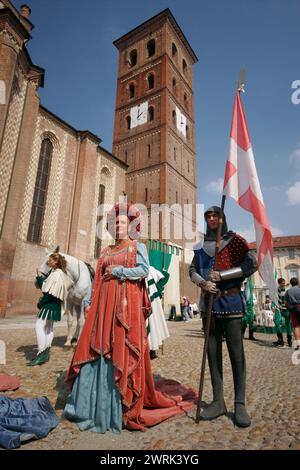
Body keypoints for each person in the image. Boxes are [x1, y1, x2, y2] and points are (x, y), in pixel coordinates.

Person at [64, 203, 195, 433]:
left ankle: (118, 405)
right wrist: (88, 301)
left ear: (131, 226)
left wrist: (119, 272)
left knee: (119, 347)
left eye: (123, 222)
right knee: (98, 347)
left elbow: (143, 271)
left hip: (124, 309)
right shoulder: (105, 252)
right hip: (102, 307)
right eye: (115, 222)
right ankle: (88, 405)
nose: (119, 226)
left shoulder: (137, 247)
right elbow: (97, 280)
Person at [189, 206, 258, 427]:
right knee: (212, 353)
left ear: (222, 218)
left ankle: (240, 404)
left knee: (236, 355)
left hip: (231, 302)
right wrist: (202, 282)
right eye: (208, 216)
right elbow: (192, 270)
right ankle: (218, 401)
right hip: (208, 304)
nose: (211, 219)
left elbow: (251, 264)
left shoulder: (235, 240)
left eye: (215, 216)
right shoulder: (200, 246)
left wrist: (222, 275)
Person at [29, 253, 73, 366]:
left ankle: (41, 353)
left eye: (50, 260)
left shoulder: (55, 275)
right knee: (49, 328)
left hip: (49, 305)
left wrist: (39, 278)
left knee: (39, 326)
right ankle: (46, 353)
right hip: (56, 305)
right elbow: (51, 289)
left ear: (56, 262)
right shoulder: (61, 274)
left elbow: (47, 291)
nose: (48, 261)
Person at [273, 278, 292, 347]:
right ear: (279, 283)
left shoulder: (288, 290)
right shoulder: (276, 290)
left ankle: (289, 340)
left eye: (284, 283)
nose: (284, 284)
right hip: (279, 308)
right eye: (282, 283)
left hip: (286, 309)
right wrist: (273, 305)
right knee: (277, 322)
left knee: (288, 324)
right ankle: (280, 340)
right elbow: (274, 298)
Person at [285, 278, 300, 350]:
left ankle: (298, 345)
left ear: (291, 283)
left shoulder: (288, 291)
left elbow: (286, 302)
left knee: (296, 327)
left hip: (293, 310)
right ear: (298, 282)